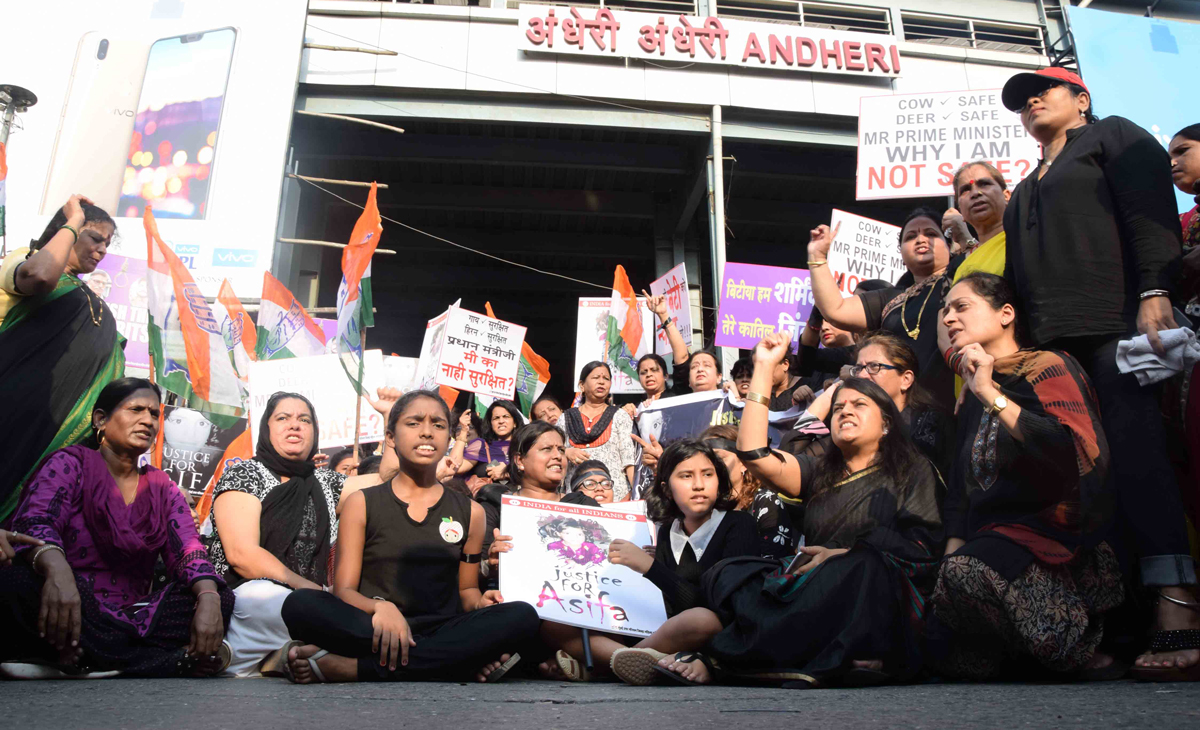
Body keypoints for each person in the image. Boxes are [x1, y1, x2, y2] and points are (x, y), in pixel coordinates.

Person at [1000, 67, 1197, 677]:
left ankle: (1179, 610)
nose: (1031, 101)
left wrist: (1155, 287)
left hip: (1114, 327)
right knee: (1083, 482)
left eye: (1044, 89)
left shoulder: (1114, 135)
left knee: (1139, 461)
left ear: (1080, 98)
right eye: (1022, 99)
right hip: (1052, 350)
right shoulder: (1026, 183)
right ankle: (1120, 620)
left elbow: (1149, 215)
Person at [613, 340, 943, 687]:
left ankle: (721, 657)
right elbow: (754, 452)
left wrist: (844, 554)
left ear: (887, 423)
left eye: (859, 404)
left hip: (867, 586)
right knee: (733, 572)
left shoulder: (912, 470)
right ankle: (735, 655)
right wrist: (765, 369)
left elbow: (922, 548)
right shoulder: (818, 471)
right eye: (839, 407)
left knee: (865, 567)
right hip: (812, 585)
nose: (845, 411)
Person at [931, 272, 1124, 680]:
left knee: (968, 572)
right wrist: (950, 559)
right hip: (991, 545)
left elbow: (1074, 453)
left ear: (1006, 314)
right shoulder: (969, 394)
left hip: (1061, 546)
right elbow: (963, 490)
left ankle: (1081, 648)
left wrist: (989, 393)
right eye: (944, 310)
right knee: (947, 624)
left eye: (961, 307)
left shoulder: (1047, 366)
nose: (948, 318)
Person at [278, 391, 540, 683]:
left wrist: (481, 604)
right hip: (373, 626)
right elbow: (345, 590)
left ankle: (353, 668)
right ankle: (455, 663)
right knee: (299, 606)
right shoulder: (361, 503)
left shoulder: (472, 512)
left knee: (522, 617)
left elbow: (466, 593)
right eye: (414, 423)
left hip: (444, 627)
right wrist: (381, 607)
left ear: (450, 438)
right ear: (391, 437)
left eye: (438, 425)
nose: (427, 432)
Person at [0, 378, 233, 679]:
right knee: (16, 582)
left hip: (133, 614)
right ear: (101, 419)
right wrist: (59, 573)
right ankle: (158, 661)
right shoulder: (69, 464)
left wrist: (209, 598)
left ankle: (81, 659)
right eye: (136, 409)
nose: (147, 420)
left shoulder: (164, 488)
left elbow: (189, 551)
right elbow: (36, 523)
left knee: (218, 596)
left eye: (153, 414)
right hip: (67, 598)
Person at [207, 391, 383, 678]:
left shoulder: (326, 482)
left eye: (304, 419)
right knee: (269, 596)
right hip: (250, 596)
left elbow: (386, 481)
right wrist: (311, 591)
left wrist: (389, 418)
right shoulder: (245, 474)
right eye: (283, 418)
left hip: (310, 603)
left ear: (314, 432)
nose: (294, 425)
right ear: (266, 428)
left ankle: (285, 654)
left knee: (354, 613)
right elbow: (243, 556)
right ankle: (307, 652)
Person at [0, 195, 124, 520]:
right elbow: (40, 275)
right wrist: (72, 218)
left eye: (107, 243)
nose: (102, 250)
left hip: (48, 439)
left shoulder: (89, 302)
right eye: (95, 238)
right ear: (65, 232)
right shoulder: (23, 259)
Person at [474, 421, 601, 680]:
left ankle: (560, 662)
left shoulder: (583, 505)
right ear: (519, 460)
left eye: (560, 449)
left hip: (577, 606)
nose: (558, 455)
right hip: (516, 608)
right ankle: (571, 663)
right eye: (546, 449)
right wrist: (491, 561)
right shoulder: (495, 503)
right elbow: (472, 568)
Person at [806, 207, 961, 412]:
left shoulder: (961, 278)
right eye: (911, 236)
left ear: (949, 246)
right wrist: (817, 255)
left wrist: (964, 236)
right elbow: (836, 309)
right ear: (901, 253)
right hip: (896, 414)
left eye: (931, 234)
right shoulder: (891, 299)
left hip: (952, 407)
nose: (921, 239)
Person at [699, 424, 798, 558]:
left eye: (718, 459)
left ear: (743, 464)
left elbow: (773, 562)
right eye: (705, 461)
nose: (710, 467)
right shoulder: (700, 508)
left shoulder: (765, 502)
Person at [557, 362, 637, 501]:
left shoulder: (620, 415)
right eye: (595, 377)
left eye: (606, 378)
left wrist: (636, 495)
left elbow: (629, 459)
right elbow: (554, 452)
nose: (601, 382)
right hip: (576, 497)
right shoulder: (565, 418)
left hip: (615, 497)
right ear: (582, 385)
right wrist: (566, 452)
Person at [943, 160, 1010, 280]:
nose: (975, 193)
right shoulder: (961, 269)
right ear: (960, 210)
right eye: (965, 190)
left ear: (1006, 196)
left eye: (984, 184)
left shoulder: (1026, 240)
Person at [460, 400, 524, 483]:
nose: (501, 421)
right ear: (491, 424)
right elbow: (454, 468)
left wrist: (508, 473)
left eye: (506, 416)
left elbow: (538, 475)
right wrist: (463, 431)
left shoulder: (524, 446)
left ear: (515, 422)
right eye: (496, 418)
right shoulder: (481, 445)